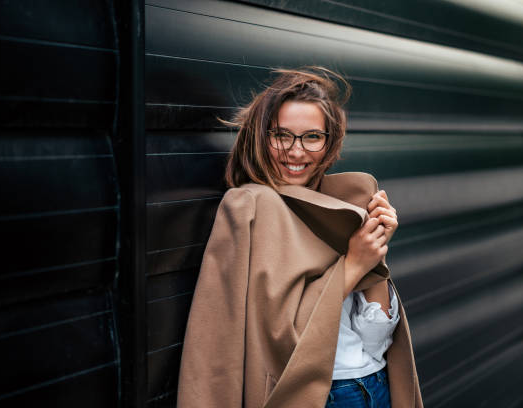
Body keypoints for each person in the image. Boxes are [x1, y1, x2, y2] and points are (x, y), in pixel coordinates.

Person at [177, 67, 423, 407]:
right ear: (261, 137)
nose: (296, 152)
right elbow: (250, 339)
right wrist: (353, 264)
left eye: (312, 137)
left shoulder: (344, 203)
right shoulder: (250, 207)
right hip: (323, 397)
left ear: (329, 142)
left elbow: (375, 340)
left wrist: (375, 253)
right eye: (282, 135)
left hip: (377, 386)